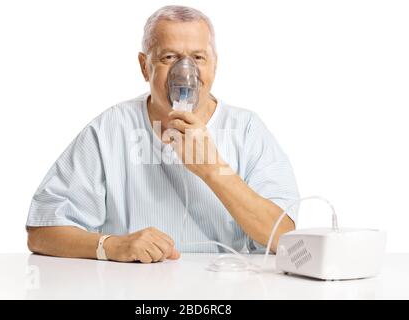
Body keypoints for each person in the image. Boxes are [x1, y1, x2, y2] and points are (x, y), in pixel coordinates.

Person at [26, 5, 299, 263]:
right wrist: (112, 245)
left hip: (220, 290)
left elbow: (285, 238)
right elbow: (42, 232)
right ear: (145, 66)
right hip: (130, 289)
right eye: (170, 57)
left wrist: (213, 170)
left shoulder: (246, 130)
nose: (185, 72)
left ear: (214, 65)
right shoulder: (111, 129)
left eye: (198, 57)